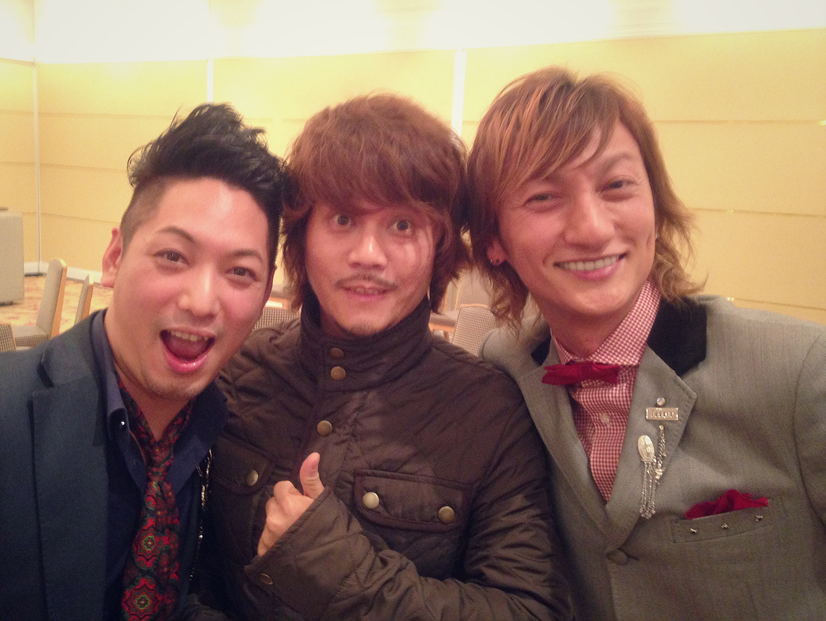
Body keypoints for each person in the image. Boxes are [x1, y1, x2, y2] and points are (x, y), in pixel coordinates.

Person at [188, 94, 570, 620]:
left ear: (439, 248)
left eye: (402, 225)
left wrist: (340, 571)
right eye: (343, 219)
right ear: (302, 238)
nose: (368, 255)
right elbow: (193, 565)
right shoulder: (239, 371)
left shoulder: (490, 412)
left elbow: (529, 609)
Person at [466, 66, 826, 620]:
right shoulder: (505, 367)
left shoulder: (799, 371)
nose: (591, 228)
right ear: (493, 240)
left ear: (655, 207)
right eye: (543, 196)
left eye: (616, 186)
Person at [0, 103, 286, 621]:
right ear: (114, 258)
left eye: (240, 272)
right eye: (173, 257)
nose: (202, 301)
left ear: (266, 294)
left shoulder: (220, 435)